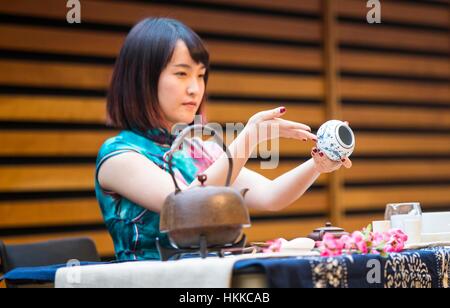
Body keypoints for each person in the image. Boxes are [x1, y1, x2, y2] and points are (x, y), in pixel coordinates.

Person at [95, 17, 352, 261]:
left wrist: (318, 165)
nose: (195, 88)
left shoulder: (198, 150)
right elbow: (186, 209)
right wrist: (249, 138)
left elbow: (271, 196)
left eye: (200, 75)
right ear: (143, 79)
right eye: (182, 74)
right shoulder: (119, 156)